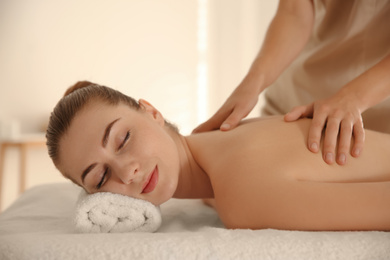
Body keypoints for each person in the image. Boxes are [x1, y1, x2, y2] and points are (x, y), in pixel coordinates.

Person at [46, 81, 390, 231]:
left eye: (122, 139)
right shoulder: (221, 146)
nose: (127, 171)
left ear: (151, 112)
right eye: (100, 178)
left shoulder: (239, 195)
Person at [193, 0, 390, 166]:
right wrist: (252, 83)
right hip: (297, 100)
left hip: (380, 111)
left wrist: (353, 98)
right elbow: (294, 12)